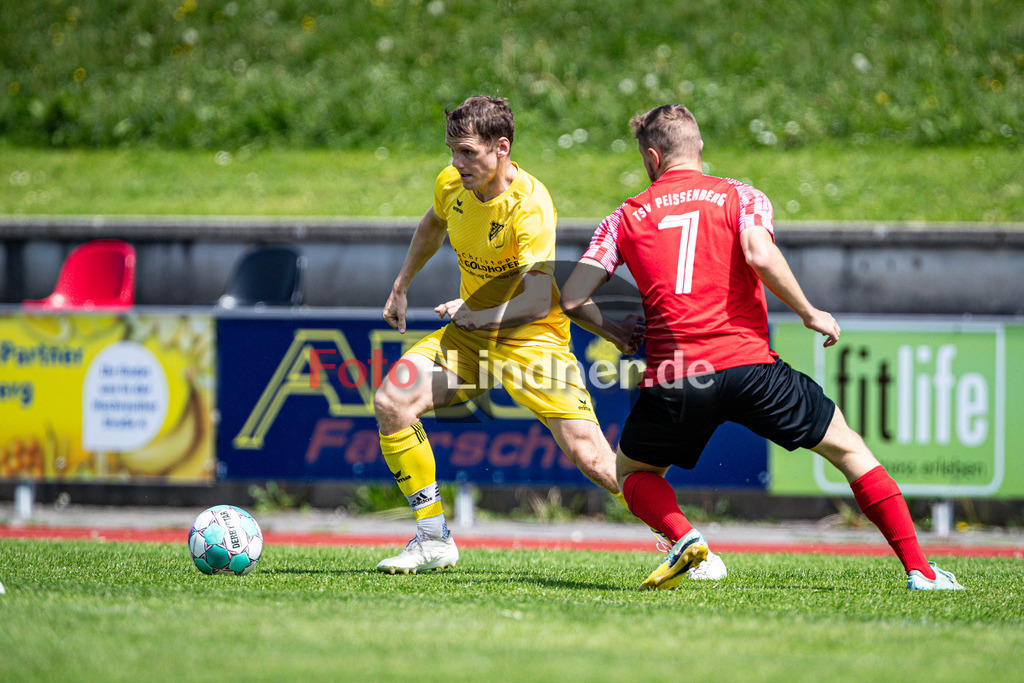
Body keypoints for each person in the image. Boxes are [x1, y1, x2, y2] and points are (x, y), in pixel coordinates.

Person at [559, 103, 965, 591]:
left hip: (676, 376)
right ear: (699, 148)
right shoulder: (742, 196)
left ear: (651, 157)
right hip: (751, 368)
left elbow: (574, 297)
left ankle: (683, 536)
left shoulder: (624, 217)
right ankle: (920, 571)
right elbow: (758, 252)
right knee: (850, 450)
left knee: (631, 474)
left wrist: (616, 333)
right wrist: (809, 312)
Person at [373, 96, 626, 574]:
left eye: (467, 152)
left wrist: (473, 309)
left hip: (532, 340)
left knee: (591, 457)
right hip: (470, 340)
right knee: (392, 402)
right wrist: (400, 286)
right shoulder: (453, 185)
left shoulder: (531, 206)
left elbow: (534, 300)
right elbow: (432, 224)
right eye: (452, 151)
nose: (456, 163)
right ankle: (433, 540)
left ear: (501, 147)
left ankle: (683, 539)